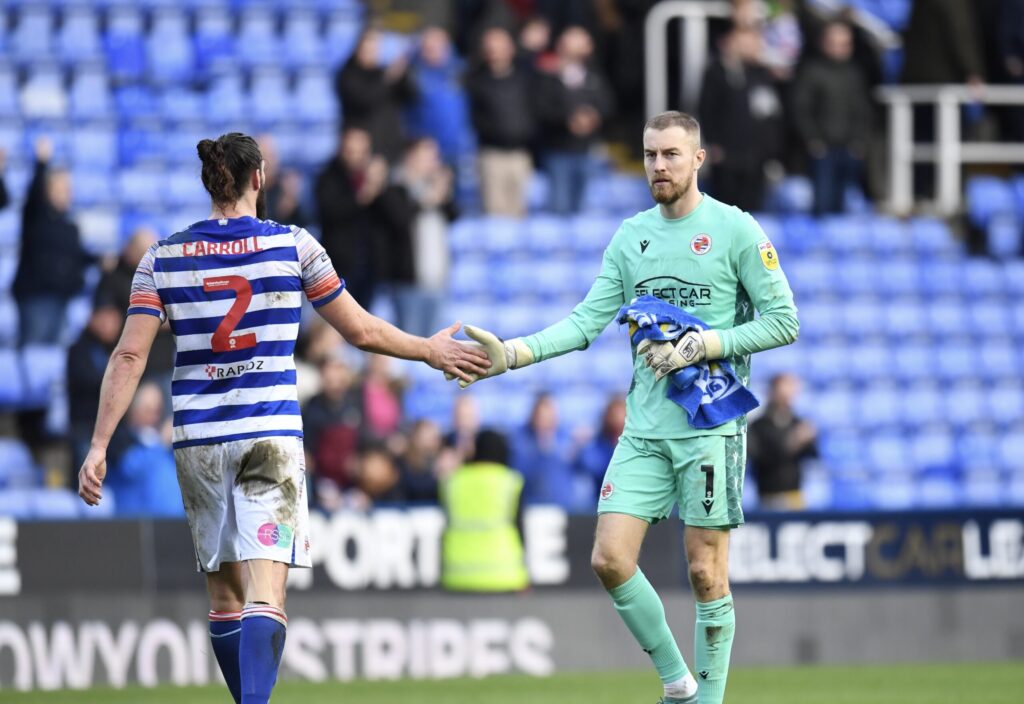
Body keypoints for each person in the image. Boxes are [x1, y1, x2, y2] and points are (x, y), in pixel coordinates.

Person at [76, 132, 489, 704]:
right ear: (259, 178)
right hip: (268, 434)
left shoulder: (161, 258)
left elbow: (129, 354)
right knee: (265, 596)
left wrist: (98, 445)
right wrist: (429, 349)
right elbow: (361, 330)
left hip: (198, 438)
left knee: (224, 599)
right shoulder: (293, 246)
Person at [451, 112, 799, 704]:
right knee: (609, 559)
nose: (659, 166)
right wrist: (512, 354)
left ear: (698, 159)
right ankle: (677, 681)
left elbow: (784, 322)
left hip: (709, 428)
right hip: (644, 429)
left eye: (670, 154)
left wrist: (707, 343)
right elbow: (586, 322)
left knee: (705, 572)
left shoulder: (736, 231)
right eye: (649, 156)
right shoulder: (631, 236)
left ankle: (708, 701)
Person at [14, 137, 92, 346]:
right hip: (36, 299)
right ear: (48, 189)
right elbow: (34, 196)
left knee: (54, 362)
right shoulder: (36, 216)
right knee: (34, 356)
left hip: (62, 299)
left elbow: (78, 256)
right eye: (62, 187)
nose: (68, 192)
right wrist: (41, 163)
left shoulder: (69, 226)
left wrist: (101, 260)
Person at [698, 22, 783, 213]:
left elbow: (771, 115)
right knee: (725, 210)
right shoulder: (717, 72)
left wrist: (771, 151)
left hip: (756, 156)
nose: (752, 46)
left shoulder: (762, 74)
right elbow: (706, 109)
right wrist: (712, 144)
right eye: (746, 41)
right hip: (727, 155)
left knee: (752, 210)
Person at [791, 20, 872, 215]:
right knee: (823, 203)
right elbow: (801, 109)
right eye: (834, 42)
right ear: (824, 43)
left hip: (850, 149)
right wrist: (813, 140)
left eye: (844, 43)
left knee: (848, 206)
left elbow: (863, 111)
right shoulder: (811, 72)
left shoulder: (855, 74)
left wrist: (859, 141)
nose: (838, 48)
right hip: (822, 151)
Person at [533, 26, 614, 215]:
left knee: (586, 210)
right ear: (561, 44)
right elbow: (541, 109)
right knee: (559, 207)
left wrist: (593, 117)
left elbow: (608, 105)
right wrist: (567, 120)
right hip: (558, 150)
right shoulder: (547, 75)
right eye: (575, 39)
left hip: (588, 151)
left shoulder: (594, 77)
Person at [440, 429, 528, 592]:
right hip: (505, 575)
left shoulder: (452, 481)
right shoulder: (511, 481)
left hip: (458, 576)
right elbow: (520, 529)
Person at [466, 26, 538, 217]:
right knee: (495, 216)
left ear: (511, 48)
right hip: (492, 155)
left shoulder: (524, 77)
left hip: (520, 154)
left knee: (521, 214)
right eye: (490, 48)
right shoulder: (476, 80)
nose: (495, 52)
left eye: (500, 46)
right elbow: (474, 118)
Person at [391, 137, 457, 338]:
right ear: (411, 157)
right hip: (409, 282)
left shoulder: (433, 189)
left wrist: (443, 192)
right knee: (411, 342)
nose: (434, 163)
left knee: (435, 343)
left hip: (436, 280)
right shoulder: (396, 188)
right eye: (427, 157)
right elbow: (400, 219)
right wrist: (428, 198)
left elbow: (454, 214)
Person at [335, 27, 417, 162]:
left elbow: (411, 97)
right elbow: (364, 100)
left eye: (375, 48)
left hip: (391, 145)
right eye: (368, 48)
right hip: (362, 151)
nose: (371, 52)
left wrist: (404, 73)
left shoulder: (382, 73)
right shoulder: (348, 75)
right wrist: (388, 78)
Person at [107, 382, 184, 517]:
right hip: (138, 525)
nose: (154, 417)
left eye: (157, 411)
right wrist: (160, 442)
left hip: (176, 523)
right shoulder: (121, 437)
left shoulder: (160, 441)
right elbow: (129, 468)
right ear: (133, 411)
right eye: (148, 410)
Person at [747, 373, 817, 510]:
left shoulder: (798, 422)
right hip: (768, 497)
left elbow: (813, 454)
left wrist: (809, 439)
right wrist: (791, 443)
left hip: (794, 497)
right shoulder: (759, 425)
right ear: (773, 391)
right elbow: (758, 457)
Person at [406, 26, 472, 166]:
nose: (433, 51)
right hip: (428, 153)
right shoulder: (412, 76)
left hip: (463, 151)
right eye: (428, 47)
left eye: (437, 46)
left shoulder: (461, 72)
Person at [510, 393, 576, 510]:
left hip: (562, 506)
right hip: (531, 505)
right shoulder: (520, 440)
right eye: (541, 416)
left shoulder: (566, 438)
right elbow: (518, 470)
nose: (545, 421)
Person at [575, 394, 626, 503]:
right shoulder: (596, 446)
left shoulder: (634, 446)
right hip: (598, 503)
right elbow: (591, 465)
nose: (617, 421)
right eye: (613, 415)